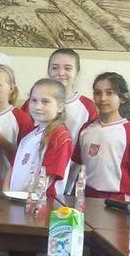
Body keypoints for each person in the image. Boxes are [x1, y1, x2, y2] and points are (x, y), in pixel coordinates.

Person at [71, 72, 130, 203]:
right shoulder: (86, 129)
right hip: (86, 198)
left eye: (109, 93)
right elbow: (77, 167)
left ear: (122, 98)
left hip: (118, 201)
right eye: (98, 93)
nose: (103, 98)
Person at [22, 48, 98, 192]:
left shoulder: (88, 107)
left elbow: (86, 150)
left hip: (65, 180)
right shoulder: (33, 103)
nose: (60, 73)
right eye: (55, 67)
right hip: (30, 178)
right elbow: (24, 141)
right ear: (48, 71)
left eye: (67, 68)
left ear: (77, 73)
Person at [6, 78, 73, 199]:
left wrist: (21, 197)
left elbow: (47, 177)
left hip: (38, 204)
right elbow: (12, 167)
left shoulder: (60, 136)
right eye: (33, 100)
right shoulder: (28, 135)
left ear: (60, 107)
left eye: (45, 102)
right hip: (15, 200)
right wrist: (6, 193)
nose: (37, 106)